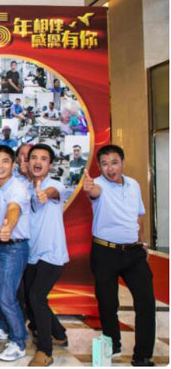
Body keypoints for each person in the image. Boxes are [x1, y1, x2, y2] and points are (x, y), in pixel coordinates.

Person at [84, 145, 155, 367]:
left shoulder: (133, 184)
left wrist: (143, 242)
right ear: (99, 167)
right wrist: (88, 189)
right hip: (105, 252)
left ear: (123, 163)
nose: (110, 168)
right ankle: (112, 344)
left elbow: (139, 216)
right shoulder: (97, 185)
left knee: (146, 303)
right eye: (104, 164)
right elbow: (93, 192)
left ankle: (142, 355)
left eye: (114, 162)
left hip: (134, 253)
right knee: (108, 303)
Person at [0, 145, 30, 362]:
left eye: (5, 161)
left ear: (13, 164)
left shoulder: (18, 187)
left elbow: (14, 208)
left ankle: (18, 342)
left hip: (15, 247)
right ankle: (2, 327)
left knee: (7, 297)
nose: (0, 166)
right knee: (0, 291)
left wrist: (8, 226)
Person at [24, 144, 69, 366]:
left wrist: (44, 193)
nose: (38, 162)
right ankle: (59, 334)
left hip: (52, 253)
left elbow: (53, 193)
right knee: (28, 297)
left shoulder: (56, 185)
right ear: (28, 162)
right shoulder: (24, 187)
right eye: (34, 157)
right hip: (32, 254)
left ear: (50, 165)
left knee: (36, 297)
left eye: (43, 158)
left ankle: (45, 351)